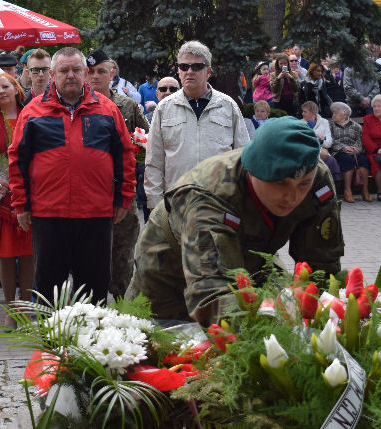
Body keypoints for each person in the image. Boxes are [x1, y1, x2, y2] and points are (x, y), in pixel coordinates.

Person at [126, 117, 344, 325]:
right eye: (280, 184)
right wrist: (267, 341)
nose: (293, 196)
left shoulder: (316, 179)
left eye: (303, 184)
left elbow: (321, 266)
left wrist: (319, 320)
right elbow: (213, 293)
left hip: (250, 258)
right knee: (159, 343)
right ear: (254, 171)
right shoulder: (210, 196)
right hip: (168, 273)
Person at [8, 47, 136, 305]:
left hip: (96, 214)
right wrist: (21, 204)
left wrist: (124, 198)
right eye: (64, 71)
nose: (70, 76)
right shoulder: (33, 112)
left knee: (94, 289)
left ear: (85, 73)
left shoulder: (107, 110)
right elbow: (17, 160)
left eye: (76, 70)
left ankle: (91, 343)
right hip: (48, 214)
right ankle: (50, 344)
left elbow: (126, 155)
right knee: (48, 288)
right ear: (53, 74)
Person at [145, 40, 249, 208]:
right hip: (177, 204)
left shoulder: (227, 105)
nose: (189, 72)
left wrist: (240, 202)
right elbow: (154, 161)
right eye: (184, 67)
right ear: (178, 71)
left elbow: (244, 158)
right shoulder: (164, 108)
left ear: (208, 71)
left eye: (197, 67)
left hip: (220, 204)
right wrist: (156, 204)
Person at [86, 49, 150, 300]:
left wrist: (136, 154)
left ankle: (125, 309)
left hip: (122, 192)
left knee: (123, 255)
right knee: (92, 257)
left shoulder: (128, 105)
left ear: (111, 73)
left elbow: (146, 141)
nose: (94, 77)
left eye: (100, 71)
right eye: (90, 72)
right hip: (91, 194)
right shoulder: (77, 105)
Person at [0, 73, 33, 329]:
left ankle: (26, 305)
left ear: (16, 89)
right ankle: (11, 310)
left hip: (31, 194)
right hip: (1, 198)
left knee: (30, 254)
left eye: (6, 86)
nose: (2, 91)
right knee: (7, 255)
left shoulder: (33, 115)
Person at [328, 102, 372, 203]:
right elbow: (331, 140)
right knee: (347, 160)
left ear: (345, 114)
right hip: (339, 152)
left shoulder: (356, 126)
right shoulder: (330, 126)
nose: (333, 115)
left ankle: (365, 190)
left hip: (355, 152)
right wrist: (343, 148)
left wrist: (356, 149)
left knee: (364, 160)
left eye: (336, 113)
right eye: (333, 113)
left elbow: (361, 140)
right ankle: (347, 191)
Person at [301, 101, 342, 189]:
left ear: (313, 112)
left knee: (331, 161)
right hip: (307, 152)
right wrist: (315, 138)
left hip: (321, 151)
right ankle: (316, 194)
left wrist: (323, 140)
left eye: (305, 111)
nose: (302, 114)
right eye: (303, 111)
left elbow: (329, 142)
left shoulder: (324, 122)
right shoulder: (300, 123)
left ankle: (330, 192)